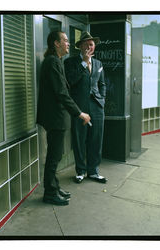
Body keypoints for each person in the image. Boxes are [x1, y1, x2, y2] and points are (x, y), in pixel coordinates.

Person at [37, 31, 91, 206]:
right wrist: (79, 113)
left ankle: (54, 186)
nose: (68, 44)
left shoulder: (56, 61)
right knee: (54, 157)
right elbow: (61, 93)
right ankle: (50, 193)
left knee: (56, 155)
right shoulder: (52, 62)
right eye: (66, 41)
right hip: (55, 118)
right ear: (56, 44)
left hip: (57, 117)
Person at [64, 31, 107, 184]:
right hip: (79, 107)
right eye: (87, 44)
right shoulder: (70, 62)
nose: (90, 47)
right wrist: (84, 62)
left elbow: (102, 84)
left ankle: (93, 171)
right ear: (80, 47)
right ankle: (80, 171)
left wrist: (102, 99)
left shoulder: (99, 64)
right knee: (79, 139)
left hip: (97, 106)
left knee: (96, 139)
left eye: (92, 44)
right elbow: (70, 81)